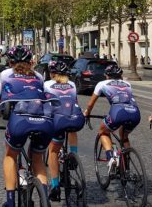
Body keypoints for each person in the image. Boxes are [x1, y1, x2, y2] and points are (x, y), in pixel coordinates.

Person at [0, 45, 55, 207]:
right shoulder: (38, 76)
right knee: (38, 159)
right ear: (31, 62)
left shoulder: (3, 75)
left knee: (11, 155)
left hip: (21, 121)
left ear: (10, 62)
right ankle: (44, 200)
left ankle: (10, 202)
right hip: (45, 121)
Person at [83, 64, 140, 173]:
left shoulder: (102, 84)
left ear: (107, 76)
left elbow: (90, 104)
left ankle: (111, 158)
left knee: (103, 132)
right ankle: (126, 164)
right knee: (124, 136)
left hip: (118, 112)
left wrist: (87, 113)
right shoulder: (127, 83)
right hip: (135, 112)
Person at [44, 60, 85, 201]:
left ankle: (55, 186)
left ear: (52, 73)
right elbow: (75, 103)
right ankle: (73, 155)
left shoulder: (47, 85)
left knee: (53, 151)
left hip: (59, 121)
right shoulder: (72, 85)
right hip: (77, 119)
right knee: (72, 129)